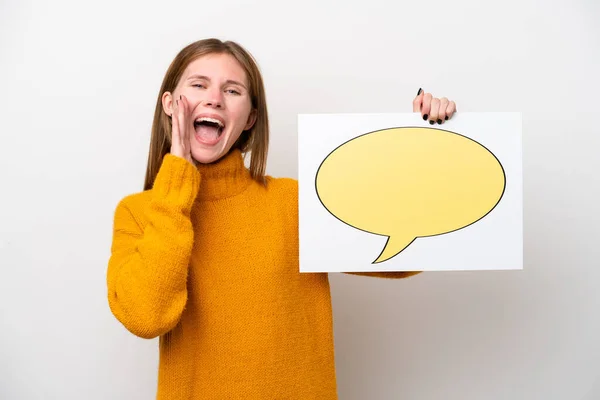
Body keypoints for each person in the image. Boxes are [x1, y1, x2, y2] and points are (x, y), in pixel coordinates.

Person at [106, 38, 457, 400]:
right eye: (199, 85)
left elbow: (406, 256)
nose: (214, 98)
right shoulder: (140, 213)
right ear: (170, 104)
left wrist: (428, 143)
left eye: (232, 90)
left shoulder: (294, 203)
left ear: (250, 118)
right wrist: (176, 184)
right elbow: (146, 317)